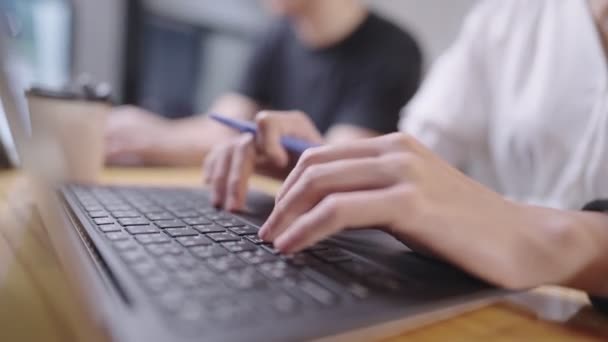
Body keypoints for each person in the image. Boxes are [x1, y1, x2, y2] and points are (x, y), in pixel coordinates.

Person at [203, 0, 608, 312]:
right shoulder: (513, 14)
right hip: (521, 308)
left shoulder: (390, 46)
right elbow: (414, 155)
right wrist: (326, 165)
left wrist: (566, 241)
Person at [104, 0, 422, 166]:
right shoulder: (278, 33)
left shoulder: (394, 51)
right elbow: (224, 123)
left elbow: (333, 165)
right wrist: (144, 130)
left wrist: (156, 142)